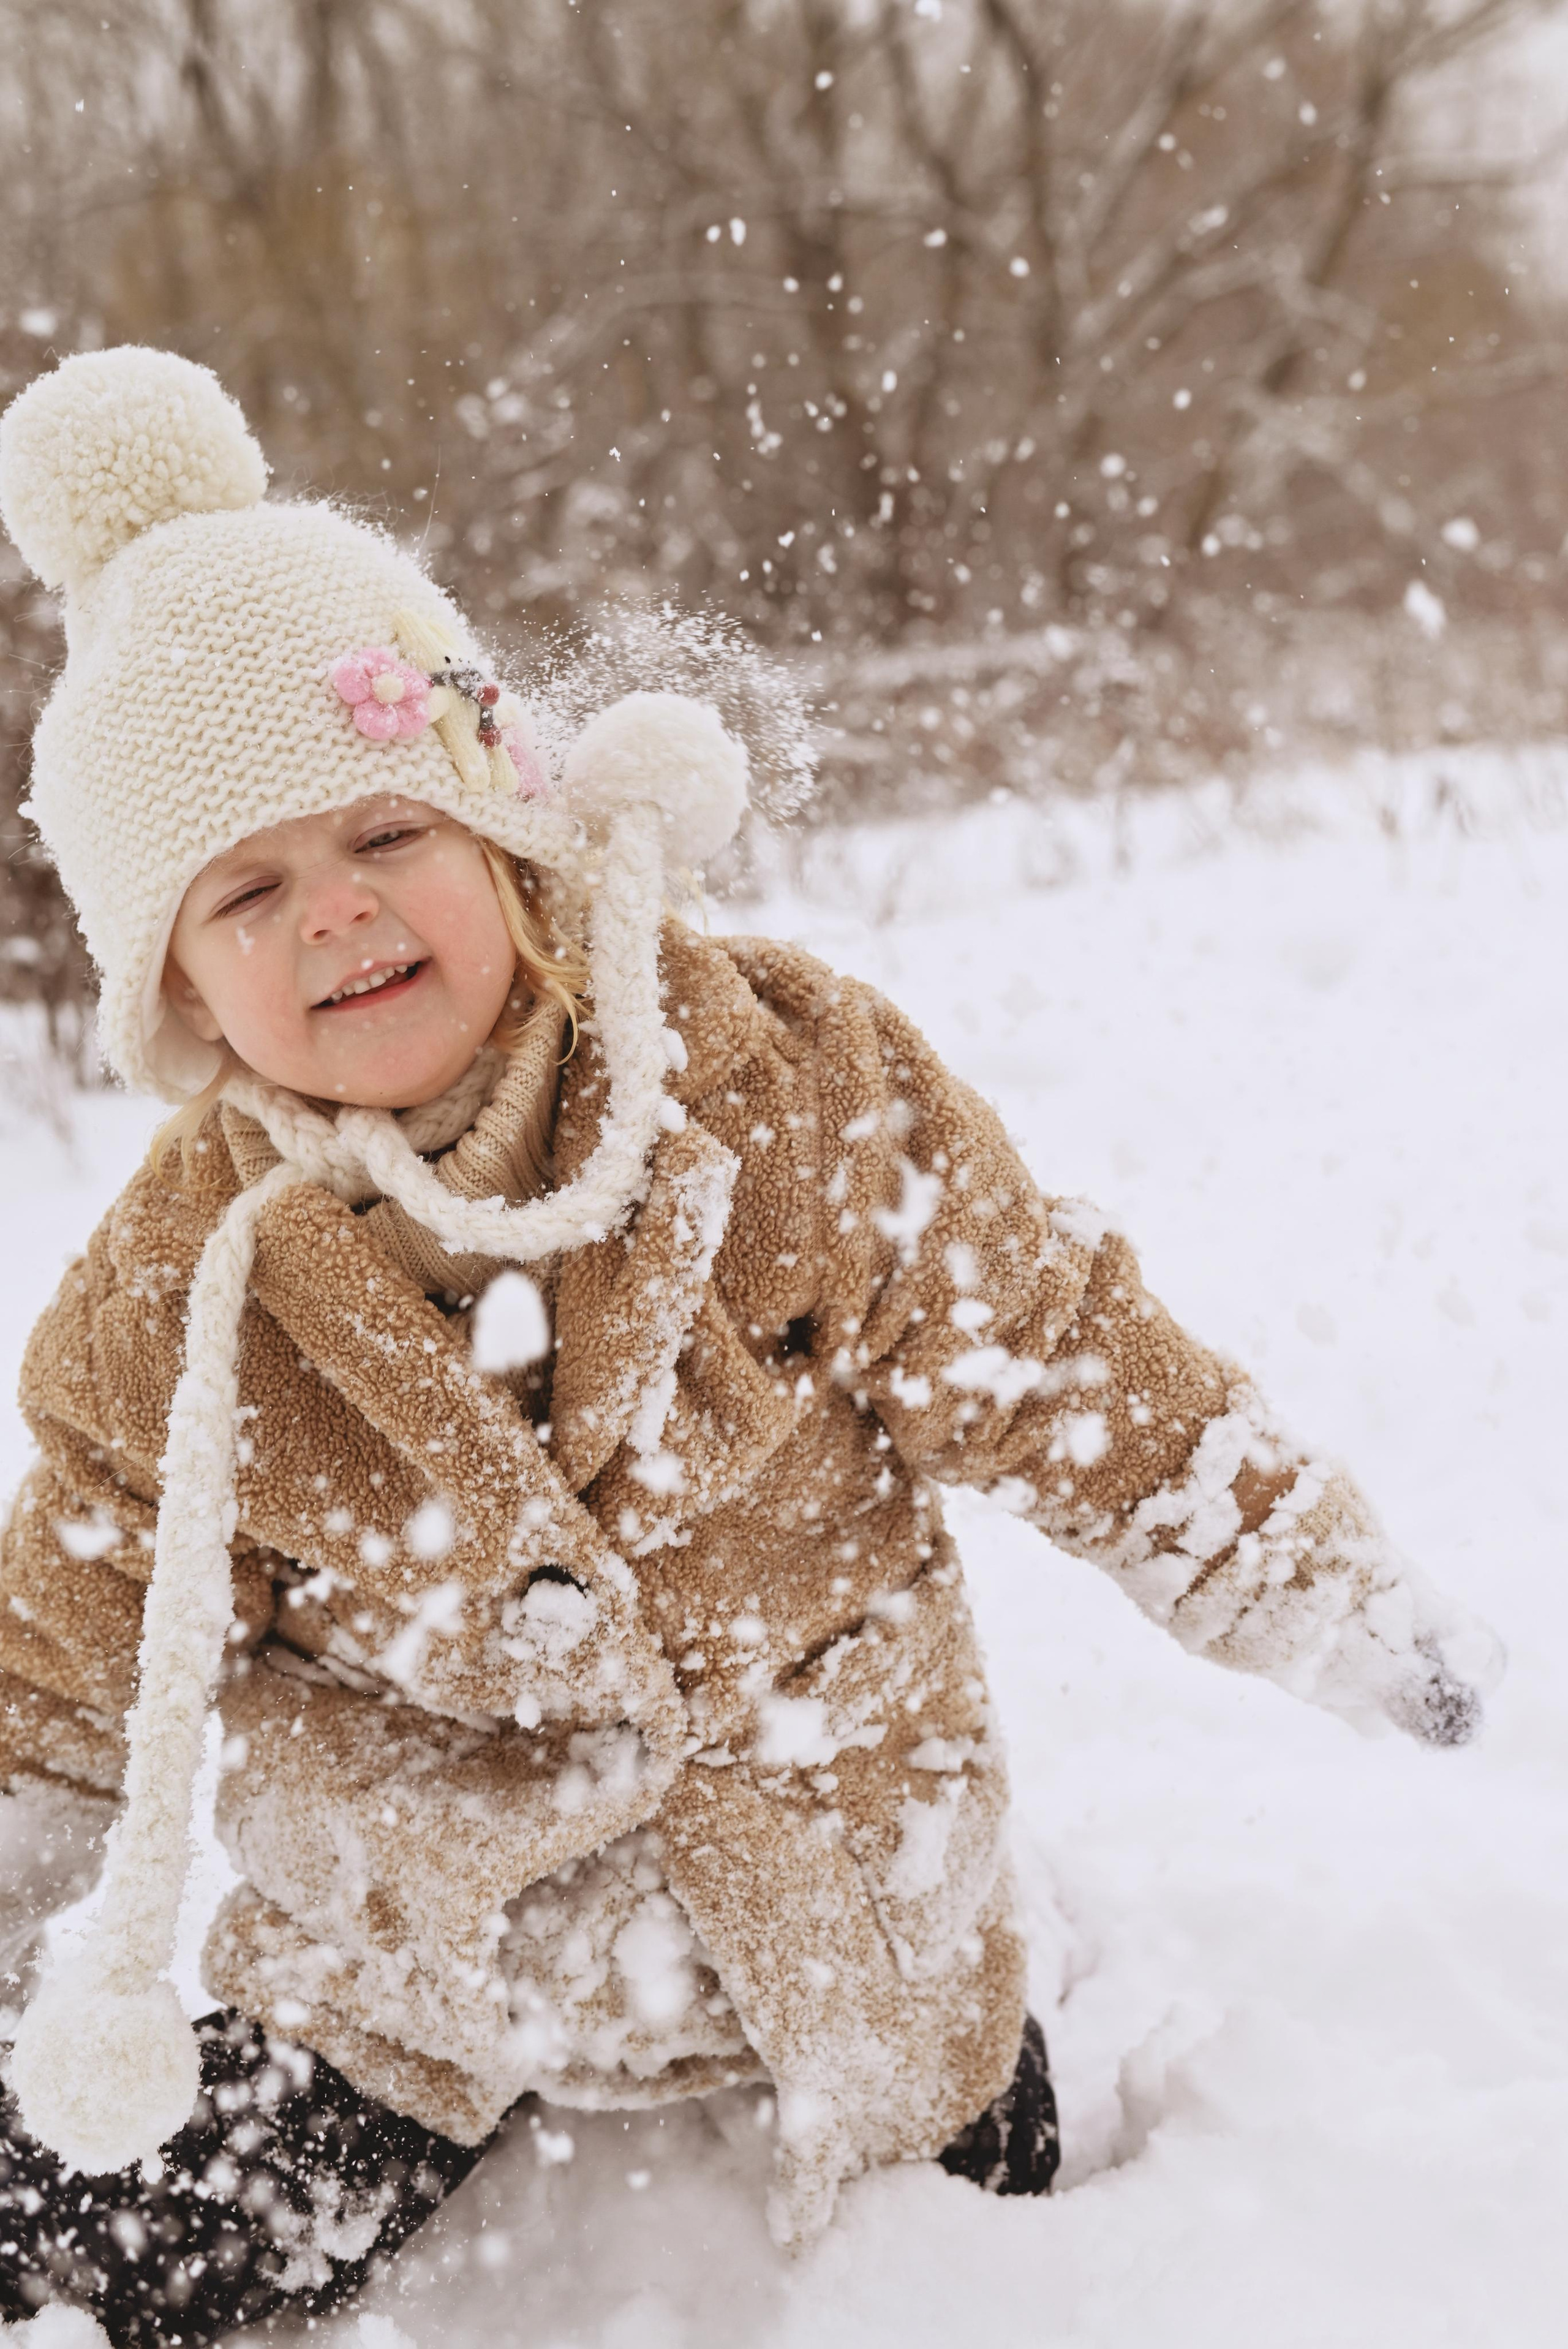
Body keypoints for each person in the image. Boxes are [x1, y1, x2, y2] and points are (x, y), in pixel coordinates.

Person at [0, 350, 1498, 2347]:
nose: (335, 913)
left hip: (862, 1912)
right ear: (179, 991)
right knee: (142, 2253)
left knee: (1021, 2264)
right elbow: (58, 1669)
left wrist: (1335, 1597)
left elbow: (1062, 1359)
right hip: (414, 1976)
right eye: (245, 892)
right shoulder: (184, 1309)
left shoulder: (774, 1088)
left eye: (385, 832)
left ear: (508, 828)